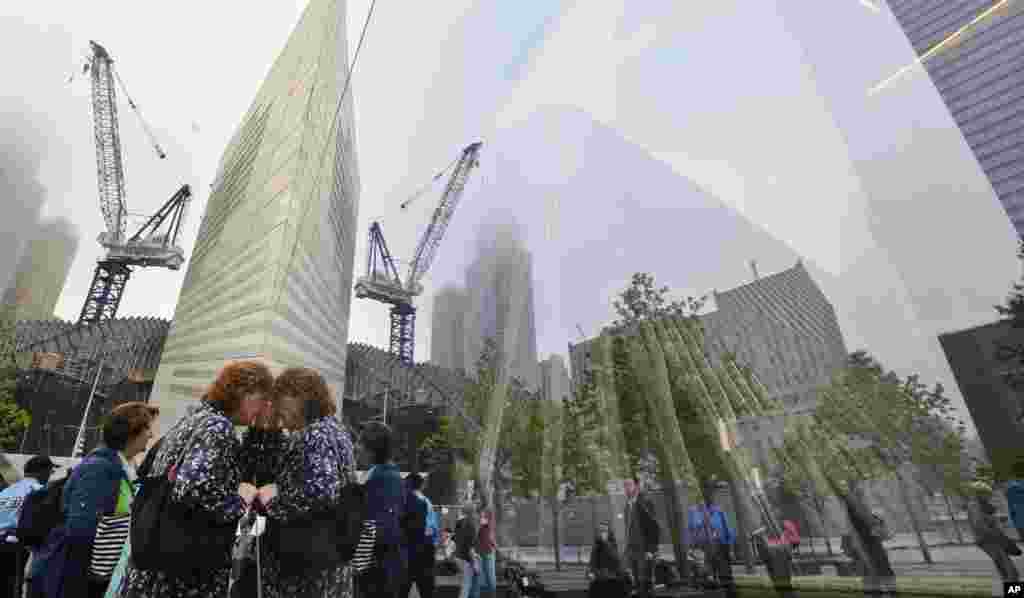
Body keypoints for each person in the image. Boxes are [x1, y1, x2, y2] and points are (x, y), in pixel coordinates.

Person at [118, 360, 274, 598]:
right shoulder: (217, 427)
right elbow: (192, 491)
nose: (263, 409)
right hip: (184, 575)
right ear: (246, 393)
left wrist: (260, 431)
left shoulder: (195, 419)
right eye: (262, 400)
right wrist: (239, 500)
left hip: (155, 567)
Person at [30, 402, 158, 598]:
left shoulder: (123, 468)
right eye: (148, 428)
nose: (151, 435)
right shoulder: (99, 468)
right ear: (132, 431)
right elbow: (80, 530)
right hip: (75, 580)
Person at [258, 367, 356, 598]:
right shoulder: (333, 431)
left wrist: (274, 500)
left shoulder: (317, 435)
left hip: (305, 568)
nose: (278, 409)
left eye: (280, 399)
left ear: (298, 397)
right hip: (327, 563)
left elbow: (320, 493)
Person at [360, 422, 407, 598]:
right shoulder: (390, 475)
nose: (357, 448)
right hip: (386, 565)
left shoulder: (382, 479)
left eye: (360, 443)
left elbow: (377, 527)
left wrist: (358, 565)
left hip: (379, 568)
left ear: (372, 449)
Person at [1, 456, 58, 598]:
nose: (49, 476)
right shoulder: (40, 491)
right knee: (14, 589)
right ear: (41, 471)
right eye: (50, 472)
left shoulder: (5, 492)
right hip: (15, 547)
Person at [686, 477, 736, 598]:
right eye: (708, 490)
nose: (710, 493)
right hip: (704, 551)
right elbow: (691, 533)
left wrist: (730, 549)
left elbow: (728, 531)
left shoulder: (719, 511)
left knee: (727, 582)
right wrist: (692, 551)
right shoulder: (694, 511)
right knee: (707, 584)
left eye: (712, 490)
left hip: (720, 549)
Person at [966, 481, 1020, 584]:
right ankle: (1012, 590)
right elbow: (979, 524)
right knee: (1009, 570)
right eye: (986, 493)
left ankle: (1010, 588)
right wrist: (996, 532)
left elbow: (986, 519)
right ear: (979, 494)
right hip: (987, 539)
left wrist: (997, 519)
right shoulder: (974, 505)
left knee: (1006, 568)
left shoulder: (982, 505)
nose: (989, 496)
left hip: (991, 538)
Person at [623, 475, 660, 598]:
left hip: (645, 549)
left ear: (637, 487)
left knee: (646, 582)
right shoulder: (627, 506)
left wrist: (651, 549)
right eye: (625, 485)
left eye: (629, 485)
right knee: (636, 583)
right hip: (632, 549)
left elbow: (654, 527)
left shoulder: (645, 502)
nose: (626, 488)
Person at [402, 473, 436, 598]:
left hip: (409, 554)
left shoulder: (406, 502)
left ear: (408, 485)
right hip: (425, 553)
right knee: (426, 591)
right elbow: (432, 530)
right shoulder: (427, 503)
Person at [586, 521, 627, 598]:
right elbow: (592, 562)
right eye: (600, 531)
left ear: (608, 533)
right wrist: (591, 572)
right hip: (600, 578)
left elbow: (616, 560)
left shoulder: (613, 545)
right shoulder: (596, 546)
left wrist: (605, 543)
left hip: (612, 579)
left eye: (604, 531)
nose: (602, 533)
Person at [454, 504, 481, 598]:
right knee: (465, 588)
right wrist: (475, 564)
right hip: (465, 560)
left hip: (458, 557)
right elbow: (470, 548)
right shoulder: (472, 526)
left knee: (464, 586)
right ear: (473, 513)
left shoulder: (461, 522)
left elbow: (458, 540)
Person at [477, 502, 497, 597]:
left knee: (489, 578)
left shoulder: (486, 520)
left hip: (487, 551)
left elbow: (490, 536)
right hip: (482, 552)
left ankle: (492, 595)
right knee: (483, 578)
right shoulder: (484, 523)